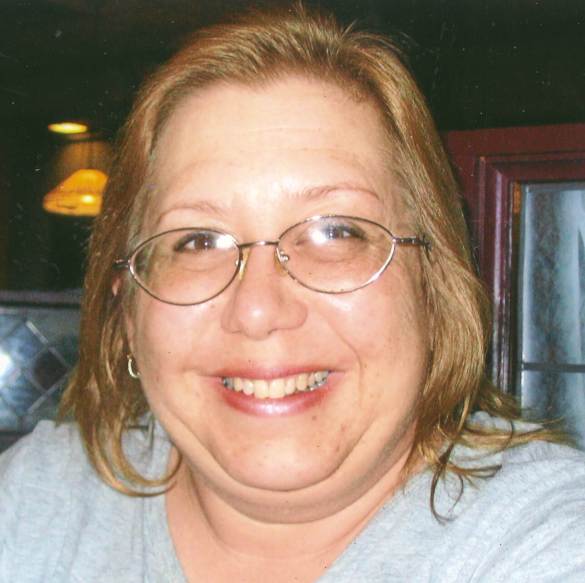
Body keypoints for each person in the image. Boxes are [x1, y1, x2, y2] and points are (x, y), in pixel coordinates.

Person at [1, 4, 584, 582]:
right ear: (129, 309)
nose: (257, 310)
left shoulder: (546, 542)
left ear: (433, 287)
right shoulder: (38, 500)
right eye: (198, 240)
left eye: (335, 232)